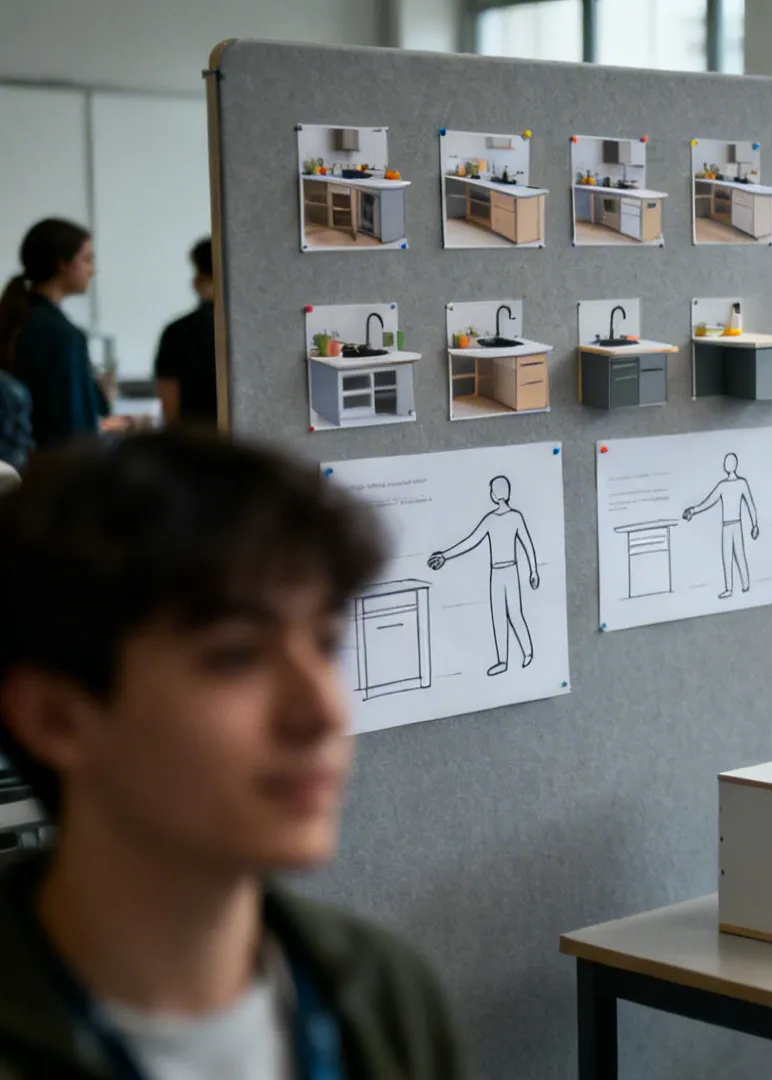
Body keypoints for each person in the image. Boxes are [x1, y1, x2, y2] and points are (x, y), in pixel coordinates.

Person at [0, 430, 466, 1078]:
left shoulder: (381, 993)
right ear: (57, 718)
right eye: (238, 656)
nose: (324, 711)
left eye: (327, 645)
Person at [0, 219, 122, 452]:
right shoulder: (64, 336)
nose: (92, 270)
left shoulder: (16, 320)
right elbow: (74, 430)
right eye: (87, 259)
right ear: (63, 264)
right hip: (52, 469)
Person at [428, 474, 539, 676]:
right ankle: (502, 661)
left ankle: (528, 651)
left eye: (492, 490)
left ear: (495, 494)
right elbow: (472, 541)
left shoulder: (516, 517)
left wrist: (533, 570)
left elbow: (527, 544)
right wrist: (445, 555)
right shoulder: (490, 520)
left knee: (514, 613)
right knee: (498, 615)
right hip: (496, 572)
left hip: (509, 571)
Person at [153, 237, 218, 428]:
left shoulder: (178, 331)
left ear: (199, 280)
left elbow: (170, 406)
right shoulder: (254, 328)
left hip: (197, 442)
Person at [684, 452, 759, 600]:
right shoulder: (723, 485)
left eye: (728, 462)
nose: (727, 464)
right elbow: (709, 501)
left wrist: (755, 524)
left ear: (733, 465)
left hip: (734, 525)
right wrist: (693, 510)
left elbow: (750, 504)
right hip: (728, 526)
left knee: (739, 555)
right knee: (727, 558)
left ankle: (745, 585)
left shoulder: (740, 483)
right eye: (726, 462)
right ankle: (730, 589)